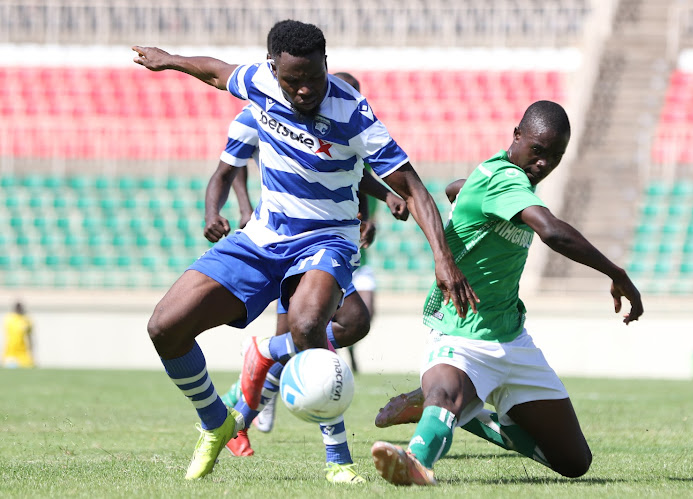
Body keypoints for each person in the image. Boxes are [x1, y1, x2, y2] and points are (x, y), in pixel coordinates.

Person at [132, 19, 477, 481]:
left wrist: (443, 258)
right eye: (292, 81)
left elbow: (412, 188)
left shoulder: (353, 111)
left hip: (327, 238)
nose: (304, 90)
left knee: (309, 321)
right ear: (273, 68)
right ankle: (216, 423)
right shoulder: (257, 81)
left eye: (313, 78)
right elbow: (216, 71)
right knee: (164, 327)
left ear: (326, 65)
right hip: (262, 237)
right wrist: (169, 59)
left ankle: (338, 461)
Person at [369, 100, 644, 486]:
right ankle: (418, 457)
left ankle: (469, 413)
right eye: (538, 150)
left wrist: (464, 193)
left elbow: (455, 189)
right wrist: (617, 273)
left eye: (555, 156)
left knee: (574, 462)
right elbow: (552, 231)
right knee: (446, 396)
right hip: (462, 329)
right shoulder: (504, 179)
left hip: (513, 338)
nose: (544, 163)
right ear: (516, 135)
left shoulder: (507, 181)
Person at [207, 71, 410, 474]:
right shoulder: (260, 113)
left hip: (328, 243)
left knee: (351, 321)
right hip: (283, 240)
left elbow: (351, 172)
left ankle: (259, 378)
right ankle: (254, 411)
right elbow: (231, 166)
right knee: (308, 331)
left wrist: (376, 205)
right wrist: (242, 208)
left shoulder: (345, 121)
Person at [2, 301, 34, 368]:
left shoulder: (26, 319)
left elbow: (29, 335)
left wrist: (31, 349)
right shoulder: (10, 318)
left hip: (23, 351)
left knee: (29, 366)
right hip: (11, 351)